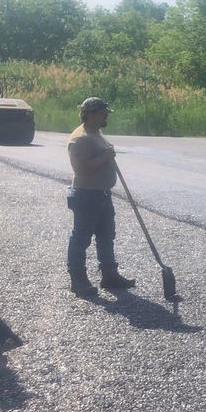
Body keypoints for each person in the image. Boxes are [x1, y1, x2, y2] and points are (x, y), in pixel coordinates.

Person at [66, 97, 134, 295]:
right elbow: (80, 169)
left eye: (106, 112)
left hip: (102, 194)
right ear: (90, 114)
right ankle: (78, 280)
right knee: (81, 238)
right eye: (102, 112)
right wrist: (106, 156)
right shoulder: (79, 139)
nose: (106, 115)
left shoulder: (96, 133)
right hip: (86, 196)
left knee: (106, 236)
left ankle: (110, 275)